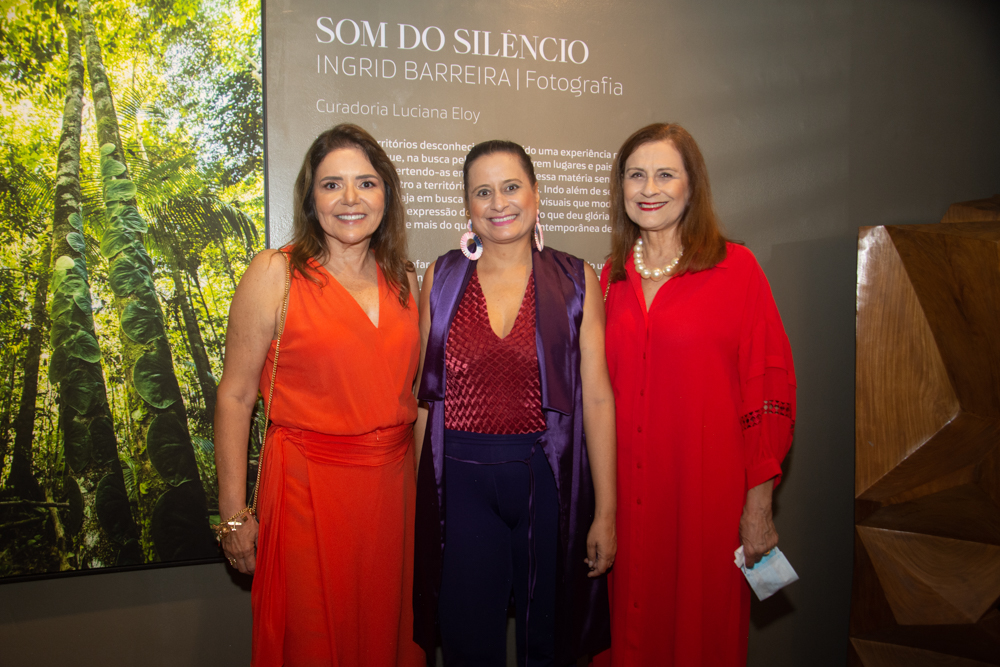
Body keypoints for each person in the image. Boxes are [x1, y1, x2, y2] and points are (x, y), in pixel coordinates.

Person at [213, 123, 425, 667]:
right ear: (311, 198)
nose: (350, 199)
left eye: (367, 183)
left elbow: (416, 398)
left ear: (387, 195)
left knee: (385, 635)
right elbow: (235, 397)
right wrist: (234, 516)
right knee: (313, 642)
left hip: (391, 496)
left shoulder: (405, 278)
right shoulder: (274, 273)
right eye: (332, 185)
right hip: (306, 491)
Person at [412, 140, 617, 666]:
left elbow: (596, 397)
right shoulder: (441, 277)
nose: (499, 202)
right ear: (468, 207)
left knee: (546, 646)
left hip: (543, 481)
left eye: (511, 187)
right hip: (459, 487)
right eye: (483, 192)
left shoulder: (575, 279)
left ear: (535, 194)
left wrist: (606, 512)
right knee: (466, 643)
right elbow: (423, 399)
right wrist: (419, 501)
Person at [597, 123, 796, 666]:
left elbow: (768, 387)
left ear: (692, 187)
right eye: (635, 175)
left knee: (696, 634)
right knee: (626, 631)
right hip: (627, 496)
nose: (648, 188)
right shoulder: (609, 279)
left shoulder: (738, 269)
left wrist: (758, 507)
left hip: (704, 497)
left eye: (665, 174)